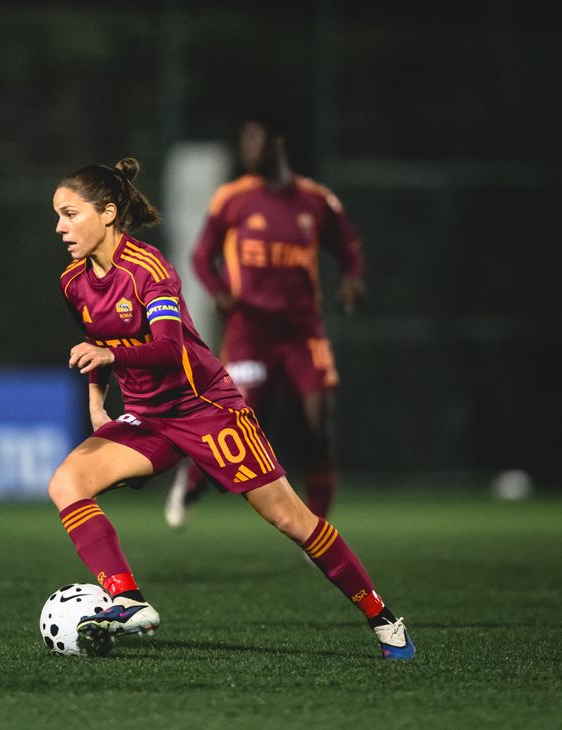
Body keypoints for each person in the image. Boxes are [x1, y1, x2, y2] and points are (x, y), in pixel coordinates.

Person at [49, 157, 413, 660]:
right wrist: (97, 406)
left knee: (291, 520)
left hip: (206, 408)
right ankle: (128, 600)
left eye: (70, 214)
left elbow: (168, 347)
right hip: (149, 417)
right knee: (67, 482)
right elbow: (97, 341)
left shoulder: (150, 269)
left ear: (107, 213)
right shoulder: (73, 281)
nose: (60, 228)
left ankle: (382, 616)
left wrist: (110, 354)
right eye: (58, 216)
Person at [164, 115, 366, 529]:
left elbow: (347, 243)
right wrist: (219, 290)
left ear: (277, 141)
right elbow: (202, 256)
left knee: (318, 428)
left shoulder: (314, 199)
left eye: (253, 139)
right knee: (236, 430)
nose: (245, 149)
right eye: (243, 140)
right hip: (249, 333)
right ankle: (191, 481)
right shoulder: (232, 198)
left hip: (302, 333)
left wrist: (351, 277)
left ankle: (319, 526)